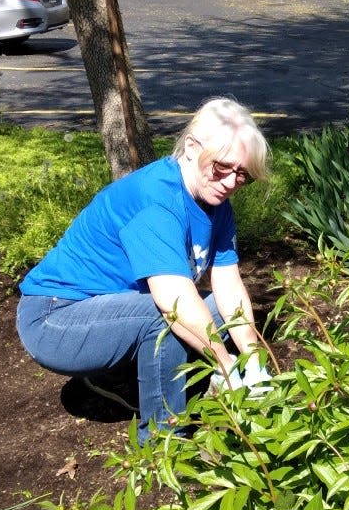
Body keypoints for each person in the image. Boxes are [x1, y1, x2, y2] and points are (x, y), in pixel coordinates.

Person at [16, 97, 271, 442]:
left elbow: (228, 284)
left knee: (212, 310)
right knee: (170, 315)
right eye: (222, 167)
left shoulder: (216, 203)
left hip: (106, 311)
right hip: (54, 319)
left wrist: (254, 361)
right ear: (193, 147)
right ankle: (164, 439)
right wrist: (226, 366)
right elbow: (173, 303)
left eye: (244, 175)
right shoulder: (157, 200)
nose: (230, 182)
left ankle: (118, 375)